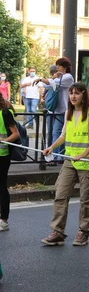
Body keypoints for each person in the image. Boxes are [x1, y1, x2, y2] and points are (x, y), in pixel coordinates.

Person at [41, 83, 89, 246]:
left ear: (84, 95)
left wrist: (82, 155)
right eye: (71, 94)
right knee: (61, 194)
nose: (73, 96)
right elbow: (63, 135)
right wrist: (51, 147)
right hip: (69, 161)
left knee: (86, 200)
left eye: (77, 93)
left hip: (87, 163)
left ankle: (83, 231)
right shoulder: (69, 112)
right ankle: (58, 231)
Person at [38, 58, 75, 166]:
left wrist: (44, 78)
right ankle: (55, 156)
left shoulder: (68, 77)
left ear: (65, 67)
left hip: (62, 109)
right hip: (53, 109)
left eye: (59, 65)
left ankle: (55, 157)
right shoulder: (59, 77)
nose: (57, 67)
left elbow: (53, 84)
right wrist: (52, 78)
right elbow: (48, 85)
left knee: (57, 133)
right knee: (52, 133)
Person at [0, 94, 21, 232]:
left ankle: (4, 220)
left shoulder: (5, 113)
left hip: (2, 155)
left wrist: (3, 141)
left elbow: (16, 134)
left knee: (1, 187)